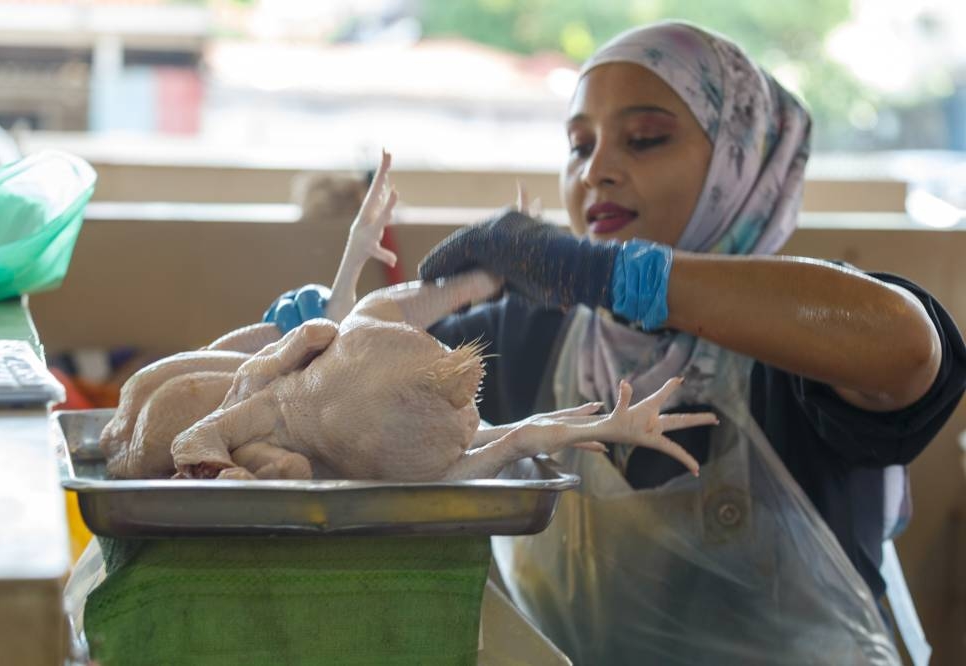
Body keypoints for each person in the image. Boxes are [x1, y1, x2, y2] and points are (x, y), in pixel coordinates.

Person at [410, 21, 966, 666]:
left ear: (740, 159)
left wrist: (615, 275)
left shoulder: (803, 337)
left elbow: (906, 347)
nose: (598, 171)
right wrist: (319, 332)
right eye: (579, 144)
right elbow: (368, 386)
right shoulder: (530, 334)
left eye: (645, 139)